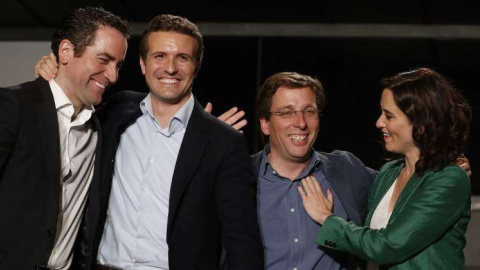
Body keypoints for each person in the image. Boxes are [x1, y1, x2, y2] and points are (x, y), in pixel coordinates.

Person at [299, 68, 472, 269]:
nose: (379, 122)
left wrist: (326, 218)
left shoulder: (449, 179)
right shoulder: (389, 172)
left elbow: (388, 245)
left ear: (421, 124)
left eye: (389, 116)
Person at [0, 7, 130, 270]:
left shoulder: (100, 126)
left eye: (118, 65)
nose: (113, 75)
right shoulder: (13, 106)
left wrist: (198, 125)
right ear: (66, 52)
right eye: (104, 59)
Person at [252, 72, 377, 270]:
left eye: (309, 111)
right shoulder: (239, 177)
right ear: (265, 124)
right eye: (287, 112)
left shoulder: (347, 170)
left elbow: (410, 185)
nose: (301, 123)